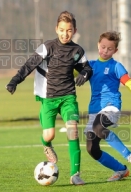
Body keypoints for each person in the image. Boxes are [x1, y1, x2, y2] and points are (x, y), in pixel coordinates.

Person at [6, 11, 93, 185]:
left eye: (69, 30)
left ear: (74, 30)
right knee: (49, 134)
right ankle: (47, 145)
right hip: (49, 98)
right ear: (56, 29)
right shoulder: (48, 47)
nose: (65, 34)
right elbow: (29, 64)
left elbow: (87, 68)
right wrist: (15, 80)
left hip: (68, 97)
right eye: (62, 30)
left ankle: (75, 174)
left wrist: (85, 74)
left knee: (73, 131)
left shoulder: (77, 50)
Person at [84, 31, 131, 182]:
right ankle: (121, 169)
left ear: (115, 51)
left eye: (109, 49)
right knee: (92, 149)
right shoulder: (90, 65)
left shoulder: (116, 66)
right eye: (103, 47)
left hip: (111, 107)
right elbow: (70, 72)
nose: (105, 51)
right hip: (94, 110)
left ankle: (130, 155)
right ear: (98, 45)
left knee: (99, 128)